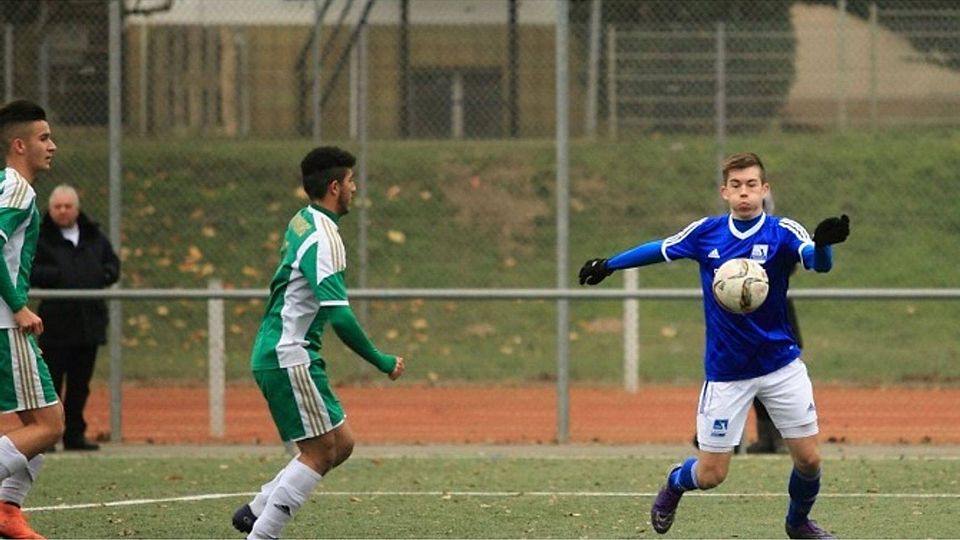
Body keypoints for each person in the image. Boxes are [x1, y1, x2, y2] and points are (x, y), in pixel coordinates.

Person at [578, 152, 849, 539]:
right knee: (710, 475)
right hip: (727, 373)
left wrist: (823, 245)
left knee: (809, 460)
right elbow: (660, 248)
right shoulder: (706, 233)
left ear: (764, 190)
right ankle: (674, 483)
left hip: (780, 365)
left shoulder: (783, 231)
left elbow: (818, 263)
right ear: (725, 192)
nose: (744, 193)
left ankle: (797, 523)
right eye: (736, 186)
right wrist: (610, 264)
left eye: (751, 185)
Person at [232, 146, 405, 539]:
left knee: (340, 443)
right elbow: (340, 316)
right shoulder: (324, 239)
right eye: (350, 182)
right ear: (334, 187)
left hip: (288, 351)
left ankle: (255, 510)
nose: (355, 188)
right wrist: (381, 360)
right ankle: (262, 534)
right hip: (288, 354)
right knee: (319, 452)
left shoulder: (303, 220)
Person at [0, 99, 66, 539]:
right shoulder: (18, 190)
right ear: (19, 144)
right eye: (44, 138)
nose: (53, 146)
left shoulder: (7, 186)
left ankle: (6, 511)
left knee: (34, 425)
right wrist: (18, 305)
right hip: (6, 323)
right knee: (49, 425)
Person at [30, 184, 120, 451]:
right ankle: (47, 435)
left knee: (80, 383)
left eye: (67, 206)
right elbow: (32, 269)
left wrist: (100, 275)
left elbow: (112, 266)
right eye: (57, 207)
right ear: (51, 209)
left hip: (88, 321)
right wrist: (59, 276)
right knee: (53, 380)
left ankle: (74, 434)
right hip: (56, 322)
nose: (62, 211)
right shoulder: (41, 237)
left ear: (76, 209)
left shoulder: (94, 236)